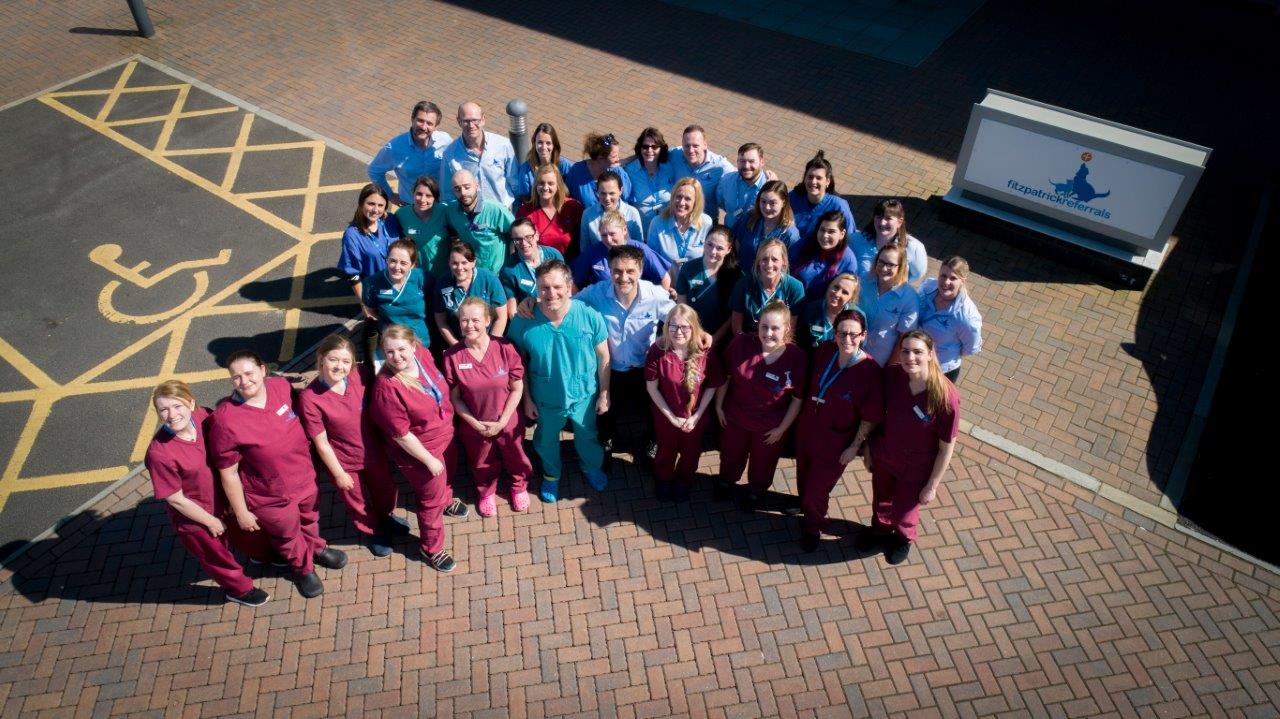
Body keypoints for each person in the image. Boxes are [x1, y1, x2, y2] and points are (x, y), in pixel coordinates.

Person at [210, 350, 347, 599]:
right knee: (287, 534)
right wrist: (241, 511)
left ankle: (316, 548)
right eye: (236, 377)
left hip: (303, 478)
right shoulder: (225, 420)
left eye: (249, 373)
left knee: (309, 518)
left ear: (263, 370)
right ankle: (302, 568)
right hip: (269, 494)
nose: (244, 381)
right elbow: (228, 473)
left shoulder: (281, 387)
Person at [145, 380, 268, 607]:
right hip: (197, 518)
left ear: (191, 404)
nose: (172, 415)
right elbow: (175, 499)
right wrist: (210, 521)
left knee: (243, 532)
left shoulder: (203, 417)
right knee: (217, 556)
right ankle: (239, 590)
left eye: (177, 406)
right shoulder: (160, 453)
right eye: (164, 409)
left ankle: (257, 554)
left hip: (224, 500)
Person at [507, 260, 611, 502]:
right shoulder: (524, 320)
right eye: (544, 288)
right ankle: (552, 475)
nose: (551, 293)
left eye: (557, 286)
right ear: (536, 289)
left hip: (585, 394)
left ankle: (591, 466)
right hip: (546, 397)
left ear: (569, 286)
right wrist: (528, 399)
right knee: (545, 439)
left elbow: (604, 356)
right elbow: (517, 364)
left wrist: (605, 393)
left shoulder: (588, 315)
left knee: (587, 434)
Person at [368, 325, 467, 573]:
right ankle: (431, 548)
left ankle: (446, 500)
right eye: (389, 352)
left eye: (401, 349)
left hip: (445, 434)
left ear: (413, 346)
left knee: (447, 479)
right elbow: (401, 435)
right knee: (429, 502)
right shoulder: (387, 388)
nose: (396, 357)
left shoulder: (423, 355)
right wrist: (429, 460)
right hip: (421, 451)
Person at [297, 336, 405, 557]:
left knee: (386, 490)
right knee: (358, 502)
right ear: (321, 360)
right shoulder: (310, 398)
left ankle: (387, 516)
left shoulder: (360, 376)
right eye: (333, 360)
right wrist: (338, 474)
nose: (340, 367)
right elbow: (321, 442)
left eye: (346, 362)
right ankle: (373, 530)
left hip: (373, 451)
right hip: (344, 461)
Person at [859, 330, 960, 565]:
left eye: (917, 352)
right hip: (885, 455)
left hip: (916, 469)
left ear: (930, 354)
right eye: (905, 351)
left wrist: (932, 486)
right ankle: (880, 530)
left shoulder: (946, 398)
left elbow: (946, 449)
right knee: (881, 500)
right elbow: (876, 414)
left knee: (905, 511)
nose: (910, 357)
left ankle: (904, 538)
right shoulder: (893, 376)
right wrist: (867, 448)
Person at [575, 245, 676, 458]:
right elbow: (567, 305)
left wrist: (699, 333)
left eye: (630, 271)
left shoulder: (655, 295)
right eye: (617, 271)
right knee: (605, 409)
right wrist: (533, 303)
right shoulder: (596, 293)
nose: (623, 277)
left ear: (640, 270)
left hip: (644, 367)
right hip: (610, 367)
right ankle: (607, 440)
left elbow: (678, 319)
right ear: (609, 270)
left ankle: (652, 440)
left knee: (652, 409)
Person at [794, 309, 882, 552]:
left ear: (863, 335)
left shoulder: (870, 372)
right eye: (842, 333)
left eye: (854, 334)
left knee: (817, 491)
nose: (847, 339)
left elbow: (870, 416)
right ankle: (806, 508)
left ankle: (813, 527)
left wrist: (855, 446)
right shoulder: (825, 352)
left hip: (836, 444)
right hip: (808, 431)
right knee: (804, 478)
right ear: (835, 334)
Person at [441, 298, 535, 516]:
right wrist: (474, 423)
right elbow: (455, 398)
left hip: (508, 418)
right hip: (475, 423)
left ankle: (518, 486)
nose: (469, 325)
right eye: (464, 320)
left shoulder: (505, 348)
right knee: (482, 460)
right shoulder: (452, 356)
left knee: (516, 455)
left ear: (487, 321)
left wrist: (502, 422)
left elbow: (517, 388)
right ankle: (486, 492)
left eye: (475, 320)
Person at [714, 300, 807, 510]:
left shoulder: (797, 358)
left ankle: (756, 491)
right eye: (764, 326)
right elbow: (726, 377)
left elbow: (797, 399)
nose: (768, 333)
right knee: (730, 454)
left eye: (775, 328)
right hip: (735, 417)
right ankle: (726, 481)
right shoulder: (741, 344)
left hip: (770, 426)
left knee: (763, 463)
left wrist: (782, 429)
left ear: (787, 329)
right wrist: (719, 406)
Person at [645, 305, 724, 502]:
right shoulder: (658, 351)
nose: (679, 332)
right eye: (673, 326)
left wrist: (696, 417)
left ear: (694, 328)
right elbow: (652, 388)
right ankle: (664, 478)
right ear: (667, 326)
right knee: (665, 450)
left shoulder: (705, 351)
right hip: (666, 417)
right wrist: (671, 418)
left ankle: (684, 481)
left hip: (695, 418)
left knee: (691, 453)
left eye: (685, 327)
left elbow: (712, 386)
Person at [368, 100, 451, 208]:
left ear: (436, 127)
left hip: (440, 204)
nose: (424, 127)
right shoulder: (394, 147)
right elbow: (374, 171)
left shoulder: (445, 141)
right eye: (420, 121)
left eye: (429, 123)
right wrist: (390, 195)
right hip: (411, 206)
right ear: (412, 119)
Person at [338, 184, 403, 321]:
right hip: (380, 294)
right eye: (371, 204)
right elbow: (353, 274)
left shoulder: (390, 220)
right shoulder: (352, 235)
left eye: (380, 205)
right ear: (361, 204)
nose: (375, 210)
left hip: (402, 286)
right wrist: (365, 305)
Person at [917, 256, 983, 383]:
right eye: (943, 276)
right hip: (914, 359)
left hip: (940, 370)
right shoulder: (927, 287)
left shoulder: (967, 317)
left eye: (953, 278)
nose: (946, 282)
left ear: (962, 281)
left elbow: (970, 348)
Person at [362, 239, 431, 358]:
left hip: (421, 342)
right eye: (392, 261)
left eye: (403, 263)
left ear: (413, 265)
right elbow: (371, 312)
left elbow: (433, 306)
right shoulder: (372, 283)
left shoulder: (423, 277)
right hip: (392, 346)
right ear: (387, 259)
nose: (397, 267)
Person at [440, 102, 517, 207]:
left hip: (502, 211)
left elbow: (514, 180)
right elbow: (447, 193)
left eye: (475, 120)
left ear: (483, 119)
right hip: (470, 215)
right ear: (459, 121)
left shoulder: (503, 145)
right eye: (466, 121)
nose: (471, 125)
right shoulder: (450, 155)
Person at [570, 210, 671, 290]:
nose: (608, 240)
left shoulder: (640, 249)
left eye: (612, 234)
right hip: (604, 306)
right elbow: (571, 282)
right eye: (604, 235)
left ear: (624, 230)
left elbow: (665, 278)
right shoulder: (593, 252)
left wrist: (657, 305)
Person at [434, 241, 508, 346]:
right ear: (449, 263)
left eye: (464, 263)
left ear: (473, 262)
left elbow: (501, 317)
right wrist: (456, 346)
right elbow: (441, 321)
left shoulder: (489, 278)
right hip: (459, 342)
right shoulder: (443, 283)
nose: (459, 268)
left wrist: (491, 346)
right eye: (454, 263)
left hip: (488, 340)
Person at [675, 224, 740, 344]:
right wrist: (697, 335)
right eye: (710, 244)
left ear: (729, 249)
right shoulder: (688, 269)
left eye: (719, 248)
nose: (713, 251)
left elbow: (733, 316)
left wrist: (714, 339)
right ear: (704, 242)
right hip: (691, 336)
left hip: (722, 340)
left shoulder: (735, 276)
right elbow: (682, 307)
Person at [858, 244, 919, 366]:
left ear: (900, 267)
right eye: (881, 262)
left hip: (878, 361)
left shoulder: (909, 298)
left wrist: (890, 366)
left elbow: (904, 338)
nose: (884, 268)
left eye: (890, 265)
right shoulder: (864, 281)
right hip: (853, 350)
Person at [443, 169, 514, 274]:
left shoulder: (496, 210)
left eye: (467, 187)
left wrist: (512, 263)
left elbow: (516, 234)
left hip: (497, 275)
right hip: (468, 275)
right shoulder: (451, 211)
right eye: (457, 189)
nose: (463, 193)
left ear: (477, 185)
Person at [729, 239, 805, 335]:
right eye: (764, 259)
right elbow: (737, 328)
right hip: (748, 339)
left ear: (784, 262)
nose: (769, 264)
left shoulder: (795, 287)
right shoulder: (743, 285)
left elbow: (790, 330)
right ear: (758, 261)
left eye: (775, 259)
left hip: (778, 342)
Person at [647, 177, 712, 281]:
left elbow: (708, 262)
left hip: (695, 287)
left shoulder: (706, 223)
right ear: (672, 197)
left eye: (688, 199)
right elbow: (652, 262)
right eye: (678, 196)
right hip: (666, 286)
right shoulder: (657, 223)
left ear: (696, 202)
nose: (681, 203)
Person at [853, 199, 927, 284]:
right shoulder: (856, 240)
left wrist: (900, 285)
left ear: (899, 222)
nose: (882, 223)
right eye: (879, 217)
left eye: (888, 218)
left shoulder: (914, 248)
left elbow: (918, 274)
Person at [667, 125, 735, 218]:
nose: (691, 150)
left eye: (695, 146)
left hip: (706, 223)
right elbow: (652, 154)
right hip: (678, 218)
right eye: (687, 146)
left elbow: (740, 178)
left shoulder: (719, 165)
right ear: (682, 144)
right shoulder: (674, 155)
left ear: (705, 145)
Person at [515, 164, 582, 257]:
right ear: (536, 185)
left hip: (569, 265)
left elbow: (582, 241)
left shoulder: (573, 207)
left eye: (550, 183)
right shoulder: (525, 212)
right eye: (541, 183)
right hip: (538, 265)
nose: (545, 187)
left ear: (558, 185)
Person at [790, 210, 859, 302]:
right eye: (822, 230)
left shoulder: (848, 261)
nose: (825, 235)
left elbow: (847, 293)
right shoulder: (805, 243)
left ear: (842, 234)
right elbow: (786, 268)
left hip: (820, 309)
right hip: (792, 300)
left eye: (831, 232)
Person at [788, 151, 855, 243]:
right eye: (810, 177)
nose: (813, 182)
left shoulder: (839, 206)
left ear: (827, 182)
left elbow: (850, 237)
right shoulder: (793, 197)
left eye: (819, 178)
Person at [500, 218, 564, 313]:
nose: (524, 243)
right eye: (517, 240)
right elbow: (512, 308)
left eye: (528, 237)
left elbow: (566, 287)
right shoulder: (509, 269)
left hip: (558, 310)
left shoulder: (554, 255)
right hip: (532, 317)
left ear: (536, 235)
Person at [394, 175, 452, 278]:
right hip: (416, 274)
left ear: (435, 198)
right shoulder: (401, 214)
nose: (422, 199)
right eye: (419, 194)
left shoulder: (445, 211)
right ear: (413, 193)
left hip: (444, 273)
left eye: (428, 196)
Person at [731, 180, 801, 263]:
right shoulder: (750, 217)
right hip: (741, 273)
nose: (767, 207)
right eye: (763, 201)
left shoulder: (790, 234)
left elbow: (790, 265)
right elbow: (736, 245)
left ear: (784, 203)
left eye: (773, 203)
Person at [624, 127, 676, 232]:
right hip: (642, 232)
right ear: (640, 148)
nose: (649, 150)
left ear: (661, 148)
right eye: (645, 146)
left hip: (667, 231)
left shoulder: (669, 167)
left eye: (654, 147)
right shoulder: (629, 172)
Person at [564, 132, 633, 208]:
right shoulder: (577, 171)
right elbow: (567, 197)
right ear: (600, 158)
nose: (618, 159)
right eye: (614, 156)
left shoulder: (618, 172)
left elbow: (627, 202)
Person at [579, 170, 644, 251]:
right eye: (603, 193)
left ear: (621, 191)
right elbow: (584, 248)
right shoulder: (588, 214)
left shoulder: (632, 213)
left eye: (611, 193)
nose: (607, 198)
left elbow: (639, 246)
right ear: (597, 191)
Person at [796, 273, 859, 353]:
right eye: (836, 287)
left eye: (845, 292)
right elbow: (800, 343)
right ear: (829, 286)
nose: (837, 294)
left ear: (851, 298)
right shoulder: (810, 309)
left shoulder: (856, 318)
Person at [513, 122, 573, 205]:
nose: (544, 147)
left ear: (554, 145)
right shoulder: (525, 170)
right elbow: (526, 200)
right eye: (540, 142)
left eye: (548, 143)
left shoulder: (565, 165)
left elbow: (573, 191)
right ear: (534, 143)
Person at [716, 143, 769, 228]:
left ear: (762, 162)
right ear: (737, 162)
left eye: (751, 161)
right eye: (742, 161)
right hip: (730, 232)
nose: (746, 166)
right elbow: (721, 202)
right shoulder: (727, 180)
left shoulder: (769, 186)